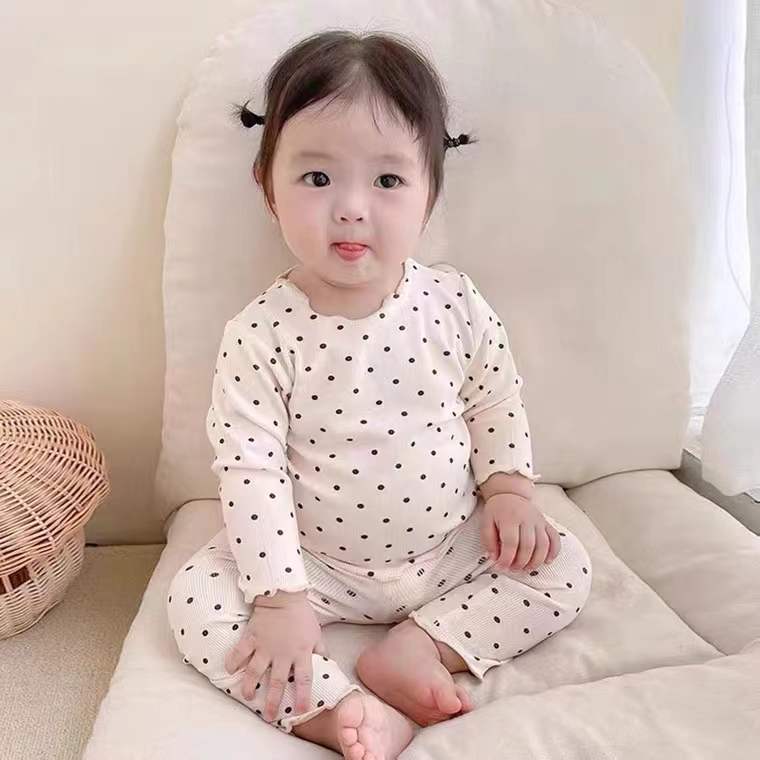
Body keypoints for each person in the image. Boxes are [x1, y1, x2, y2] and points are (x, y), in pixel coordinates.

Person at [167, 28, 592, 760]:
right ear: (267, 187)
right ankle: (331, 711)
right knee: (194, 603)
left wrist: (510, 492)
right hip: (314, 565)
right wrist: (279, 598)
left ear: (429, 194)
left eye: (388, 181)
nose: (352, 208)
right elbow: (250, 471)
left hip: (448, 549)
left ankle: (422, 646)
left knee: (564, 566)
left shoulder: (455, 305)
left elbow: (494, 402)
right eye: (317, 177)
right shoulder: (260, 335)